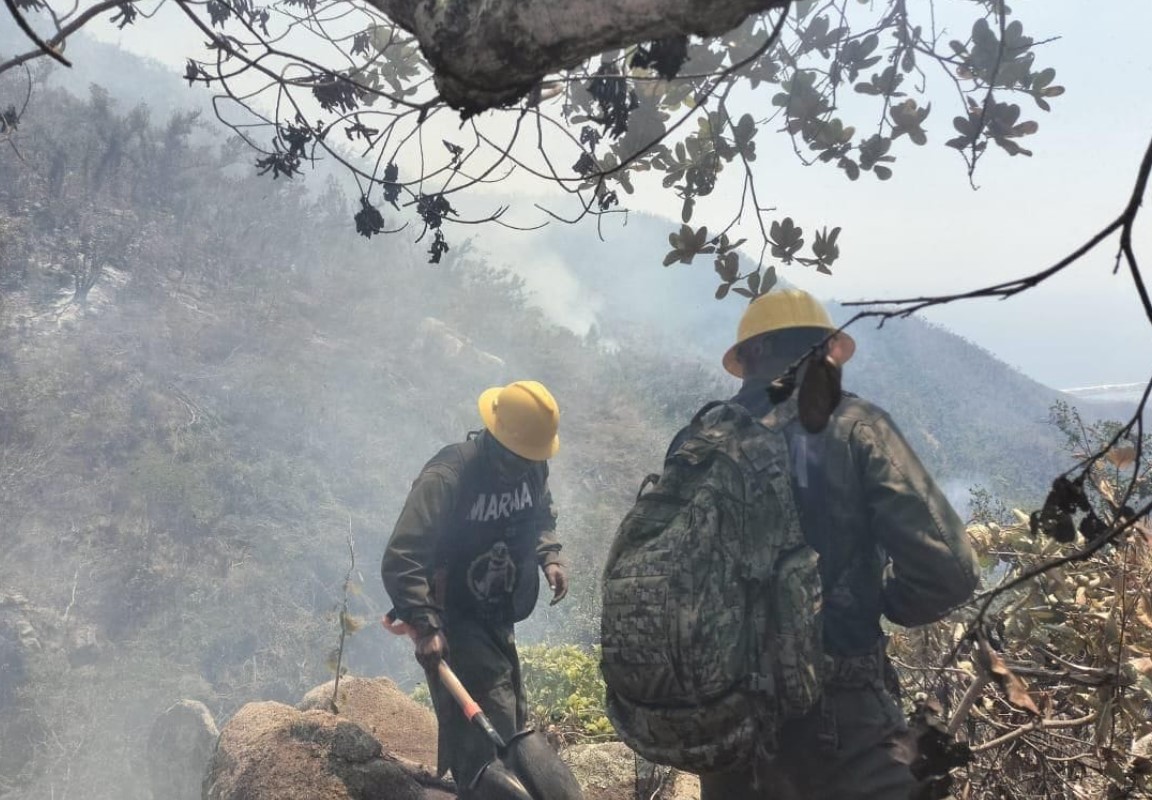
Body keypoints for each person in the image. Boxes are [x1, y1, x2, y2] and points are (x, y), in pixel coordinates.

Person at [698, 289, 981, 800]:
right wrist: (886, 601)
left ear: (748, 361)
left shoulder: (703, 437)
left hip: (728, 728)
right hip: (843, 722)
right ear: (830, 355)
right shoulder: (855, 428)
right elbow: (950, 571)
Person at [381, 380, 569, 795]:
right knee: (489, 726)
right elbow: (403, 554)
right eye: (519, 459)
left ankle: (491, 782)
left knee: (510, 721)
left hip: (498, 612)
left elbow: (540, 515)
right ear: (498, 442)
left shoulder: (532, 464)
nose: (526, 468)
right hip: (454, 616)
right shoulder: (449, 476)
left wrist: (549, 555)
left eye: (531, 460)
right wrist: (426, 626)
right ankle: (482, 784)